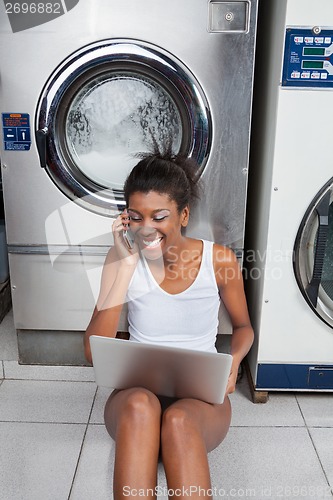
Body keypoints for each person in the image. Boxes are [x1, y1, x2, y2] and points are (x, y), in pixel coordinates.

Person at [84, 148, 254, 499]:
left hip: (200, 403)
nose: (146, 229)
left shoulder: (219, 260)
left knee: (179, 422)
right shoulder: (121, 258)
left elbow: (243, 328)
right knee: (139, 406)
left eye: (159, 217)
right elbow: (91, 351)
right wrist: (126, 268)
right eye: (135, 217)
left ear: (183, 215)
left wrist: (234, 363)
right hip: (136, 398)